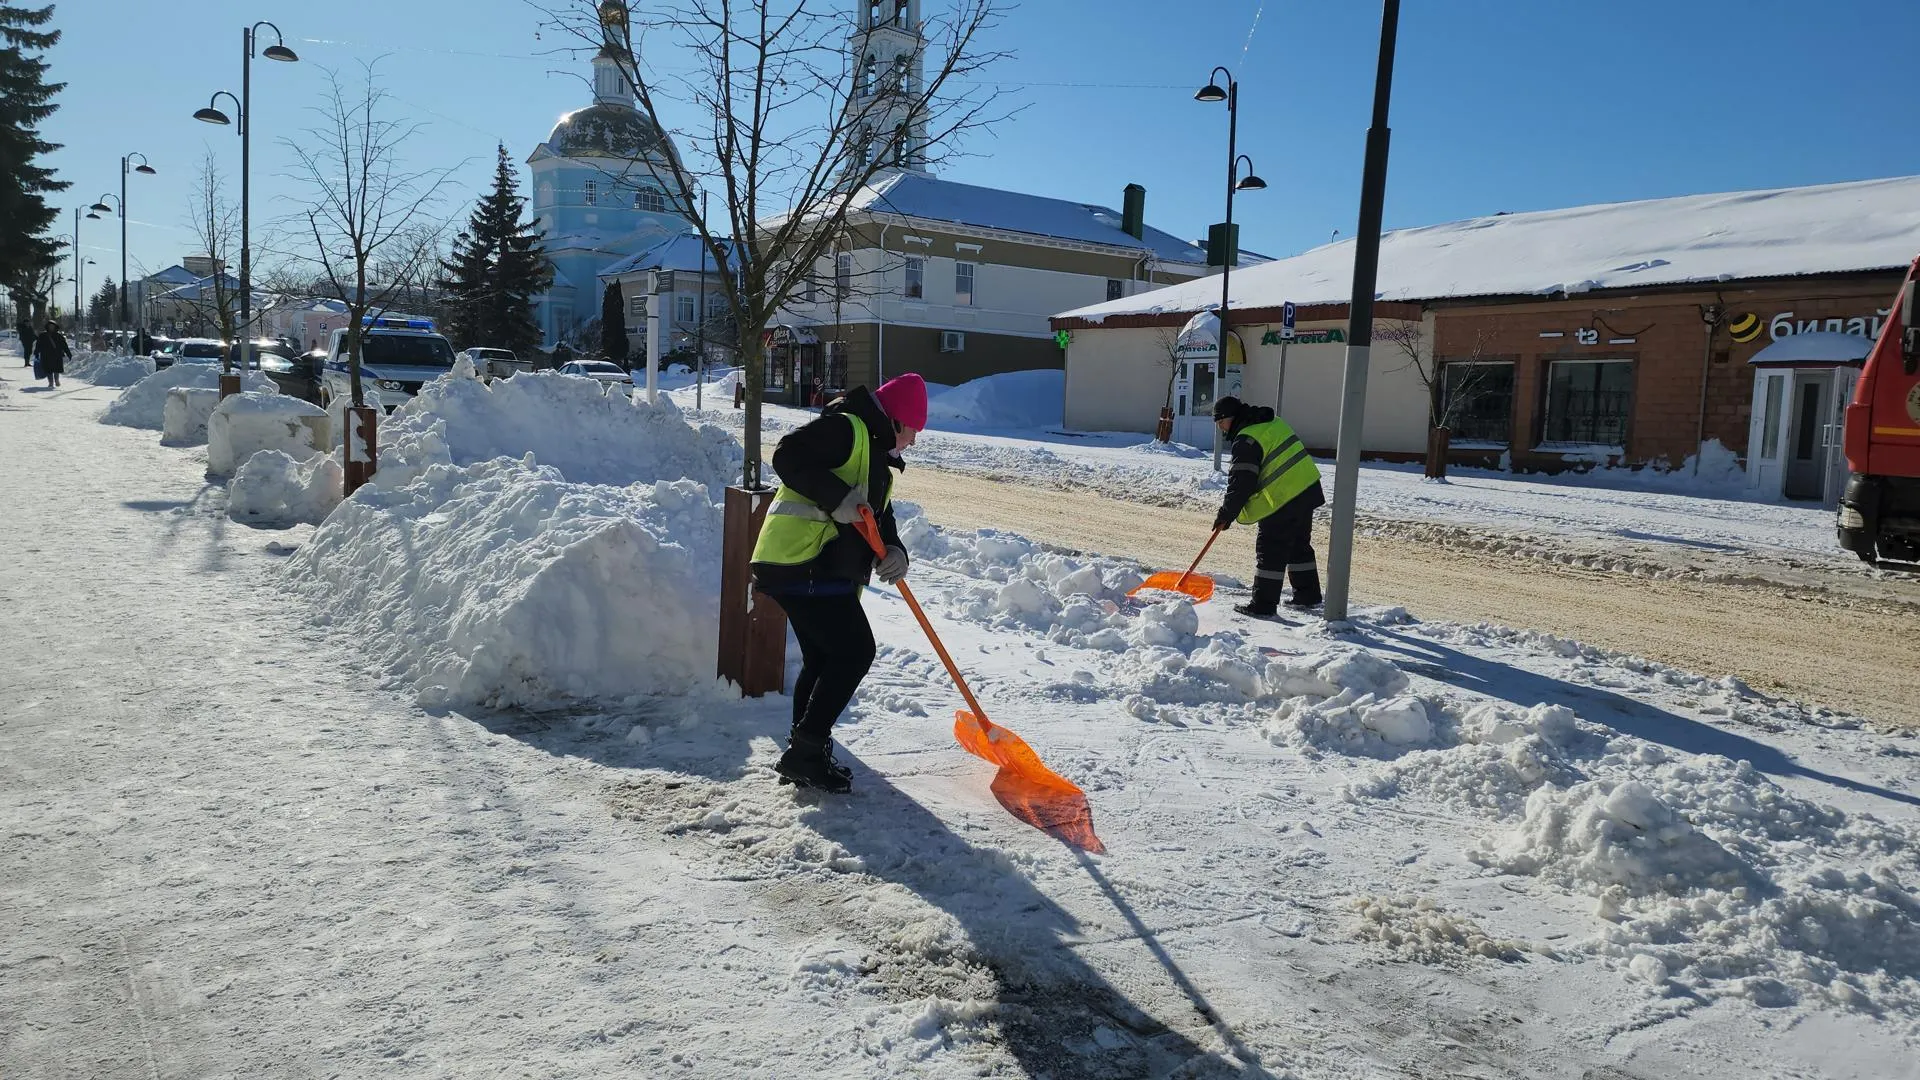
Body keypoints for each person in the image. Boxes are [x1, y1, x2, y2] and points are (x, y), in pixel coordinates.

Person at [751, 372, 928, 793]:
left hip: (810, 566)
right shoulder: (847, 428)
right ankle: (806, 751)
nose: (914, 443)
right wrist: (836, 497)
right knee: (855, 651)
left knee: (825, 658)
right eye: (914, 431)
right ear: (897, 421)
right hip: (805, 560)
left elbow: (876, 514)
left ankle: (805, 750)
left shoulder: (875, 454)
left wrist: (895, 550)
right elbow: (787, 454)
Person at [1211, 396, 1325, 617]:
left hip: (1284, 497)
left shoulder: (1246, 440)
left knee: (1270, 549)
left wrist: (1226, 514)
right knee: (1298, 545)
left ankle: (1263, 606)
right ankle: (1307, 595)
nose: (1220, 429)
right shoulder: (1272, 422)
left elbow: (1241, 483)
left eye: (1220, 423)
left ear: (1230, 419)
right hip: (1307, 489)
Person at [34, 319, 71, 389]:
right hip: (46, 355)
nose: (51, 327)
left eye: (52, 326)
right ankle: (50, 382)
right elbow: (38, 345)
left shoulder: (59, 336)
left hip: (57, 355)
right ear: (47, 327)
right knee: (48, 369)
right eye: (50, 326)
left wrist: (68, 353)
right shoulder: (43, 336)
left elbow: (64, 345)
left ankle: (56, 380)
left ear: (55, 327)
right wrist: (36, 352)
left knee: (56, 369)